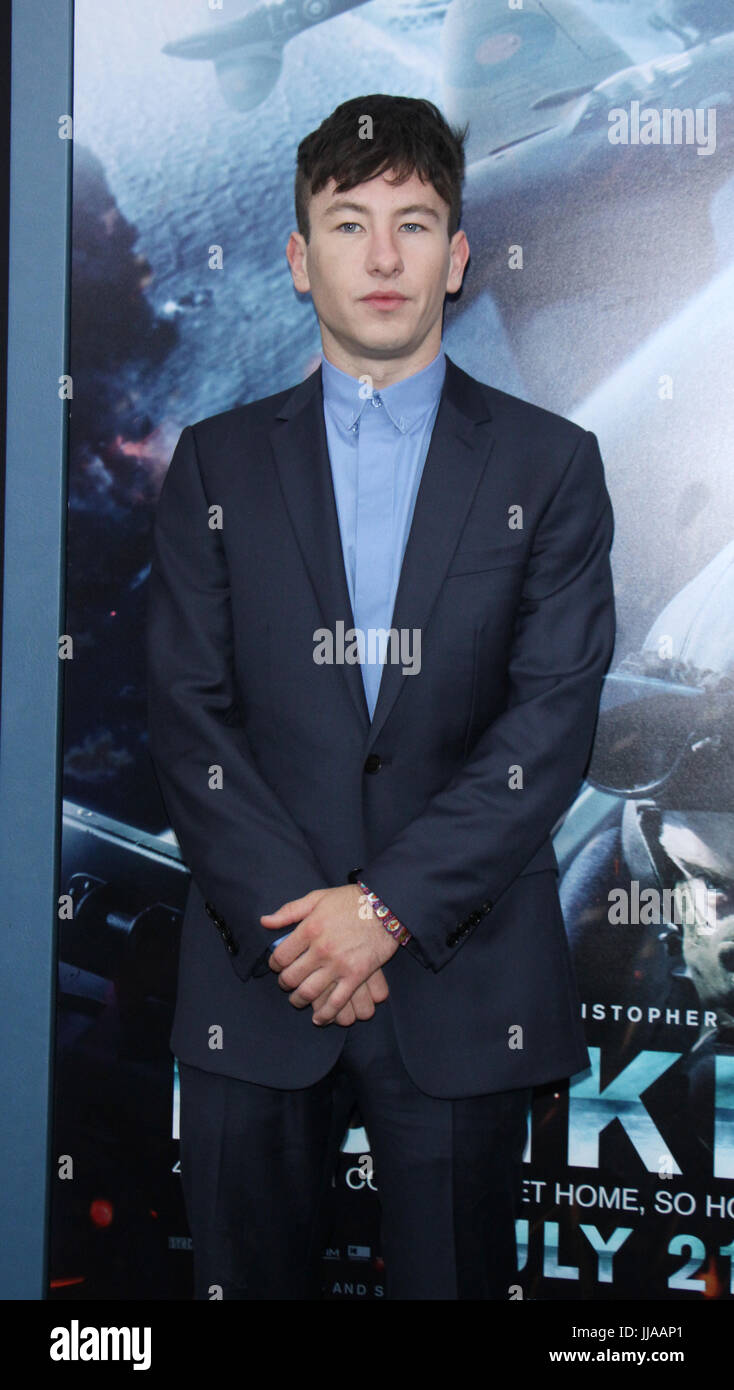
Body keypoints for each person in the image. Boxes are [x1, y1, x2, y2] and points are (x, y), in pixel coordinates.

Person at [146, 93, 616, 1300]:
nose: (384, 255)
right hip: (261, 979)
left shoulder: (549, 465)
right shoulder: (214, 463)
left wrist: (386, 909)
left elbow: (549, 719)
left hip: (459, 989)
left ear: (457, 258)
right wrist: (311, 931)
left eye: (414, 222)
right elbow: (190, 715)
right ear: (302, 260)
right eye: (348, 223)